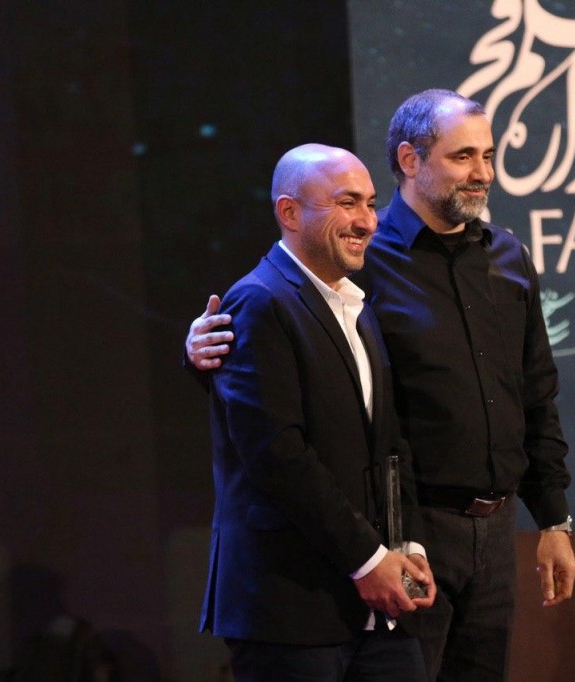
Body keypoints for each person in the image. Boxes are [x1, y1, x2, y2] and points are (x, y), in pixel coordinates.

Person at [189, 90, 575, 681]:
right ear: (410, 160)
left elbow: (536, 393)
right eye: (463, 156)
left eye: (488, 156)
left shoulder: (508, 257)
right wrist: (200, 354)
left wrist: (553, 518)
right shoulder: (358, 259)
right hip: (398, 530)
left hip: (487, 534)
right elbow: (272, 380)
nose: (482, 173)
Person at [199, 143, 435, 682]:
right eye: (347, 203)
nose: (367, 221)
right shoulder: (258, 302)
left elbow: (388, 442)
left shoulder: (356, 306)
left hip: (375, 605)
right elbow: (278, 456)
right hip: (290, 606)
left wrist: (406, 545)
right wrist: (369, 560)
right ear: (289, 212)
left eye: (370, 203)